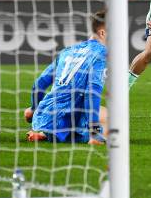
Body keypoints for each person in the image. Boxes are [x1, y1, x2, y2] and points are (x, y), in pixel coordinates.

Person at [25, 10, 108, 145]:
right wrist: (95, 132)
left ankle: (43, 132)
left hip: (44, 116)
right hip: (66, 119)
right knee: (110, 117)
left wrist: (34, 110)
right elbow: (92, 93)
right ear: (103, 33)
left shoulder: (67, 51)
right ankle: (75, 135)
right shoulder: (102, 53)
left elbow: (39, 84)